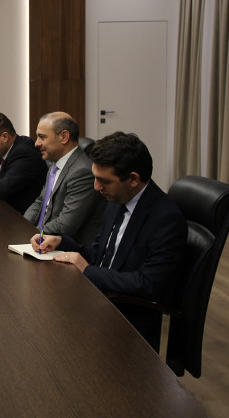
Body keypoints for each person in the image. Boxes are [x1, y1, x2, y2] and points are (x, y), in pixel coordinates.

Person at [31, 132, 186, 348]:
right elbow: (100, 255)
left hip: (127, 322)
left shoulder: (165, 218)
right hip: (99, 299)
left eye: (104, 181)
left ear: (133, 179)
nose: (96, 187)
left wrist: (87, 270)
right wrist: (61, 242)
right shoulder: (117, 199)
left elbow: (148, 284)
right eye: (95, 177)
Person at [23, 112, 104, 243]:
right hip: (42, 238)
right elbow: (40, 202)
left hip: (63, 247)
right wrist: (22, 227)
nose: (36, 143)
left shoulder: (83, 172)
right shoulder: (55, 164)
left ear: (64, 137)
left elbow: (65, 225)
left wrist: (31, 234)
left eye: (42, 137)